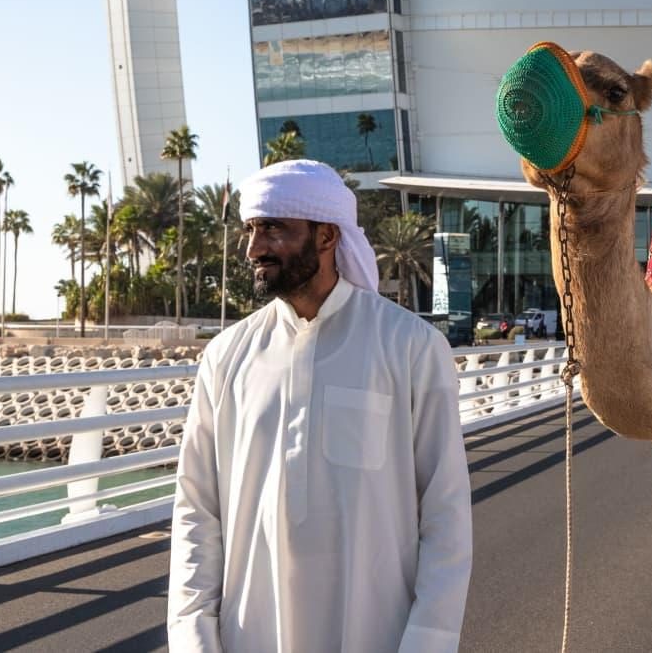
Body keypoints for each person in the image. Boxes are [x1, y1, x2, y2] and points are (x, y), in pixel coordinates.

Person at [167, 159, 472, 652]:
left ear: (327, 236)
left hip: (375, 632)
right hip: (250, 635)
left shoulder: (409, 347)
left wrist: (429, 641)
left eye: (273, 228)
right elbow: (198, 510)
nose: (253, 248)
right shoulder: (226, 356)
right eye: (251, 229)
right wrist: (192, 635)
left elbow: (445, 512)